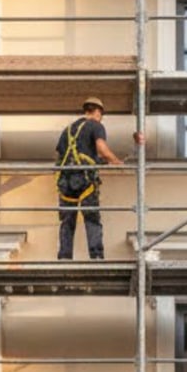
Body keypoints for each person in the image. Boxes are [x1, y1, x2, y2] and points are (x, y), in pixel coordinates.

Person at [53, 97, 144, 260]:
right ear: (97, 112)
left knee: (67, 220)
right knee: (91, 217)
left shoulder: (66, 131)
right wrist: (115, 161)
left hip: (65, 181)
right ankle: (96, 256)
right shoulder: (95, 125)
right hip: (85, 178)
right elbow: (101, 149)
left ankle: (64, 256)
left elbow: (63, 156)